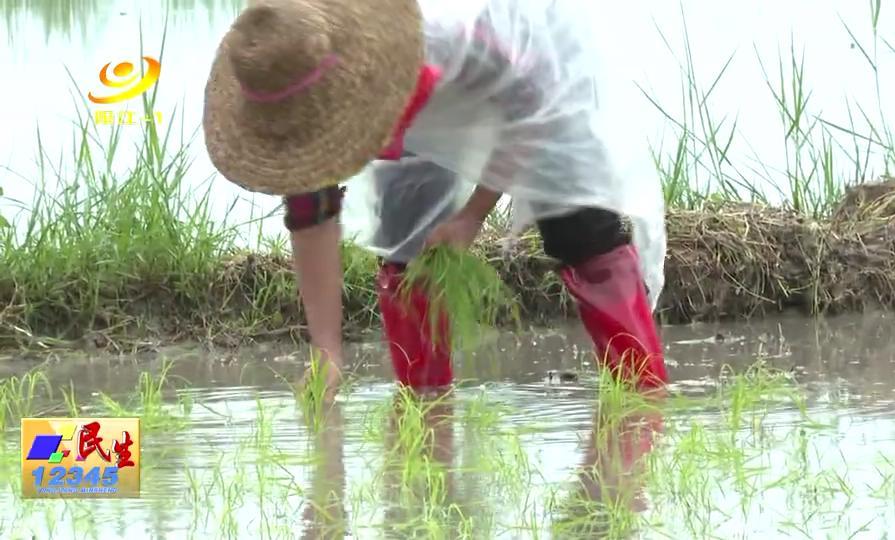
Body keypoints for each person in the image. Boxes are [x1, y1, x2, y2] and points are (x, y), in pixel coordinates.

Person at [202, 0, 669, 400]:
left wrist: (470, 218)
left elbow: (531, 104)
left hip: (529, 67)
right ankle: (426, 407)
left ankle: (643, 398)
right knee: (410, 244)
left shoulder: (450, 34)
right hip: (420, 96)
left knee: (579, 226)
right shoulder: (292, 73)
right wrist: (327, 354)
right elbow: (311, 214)